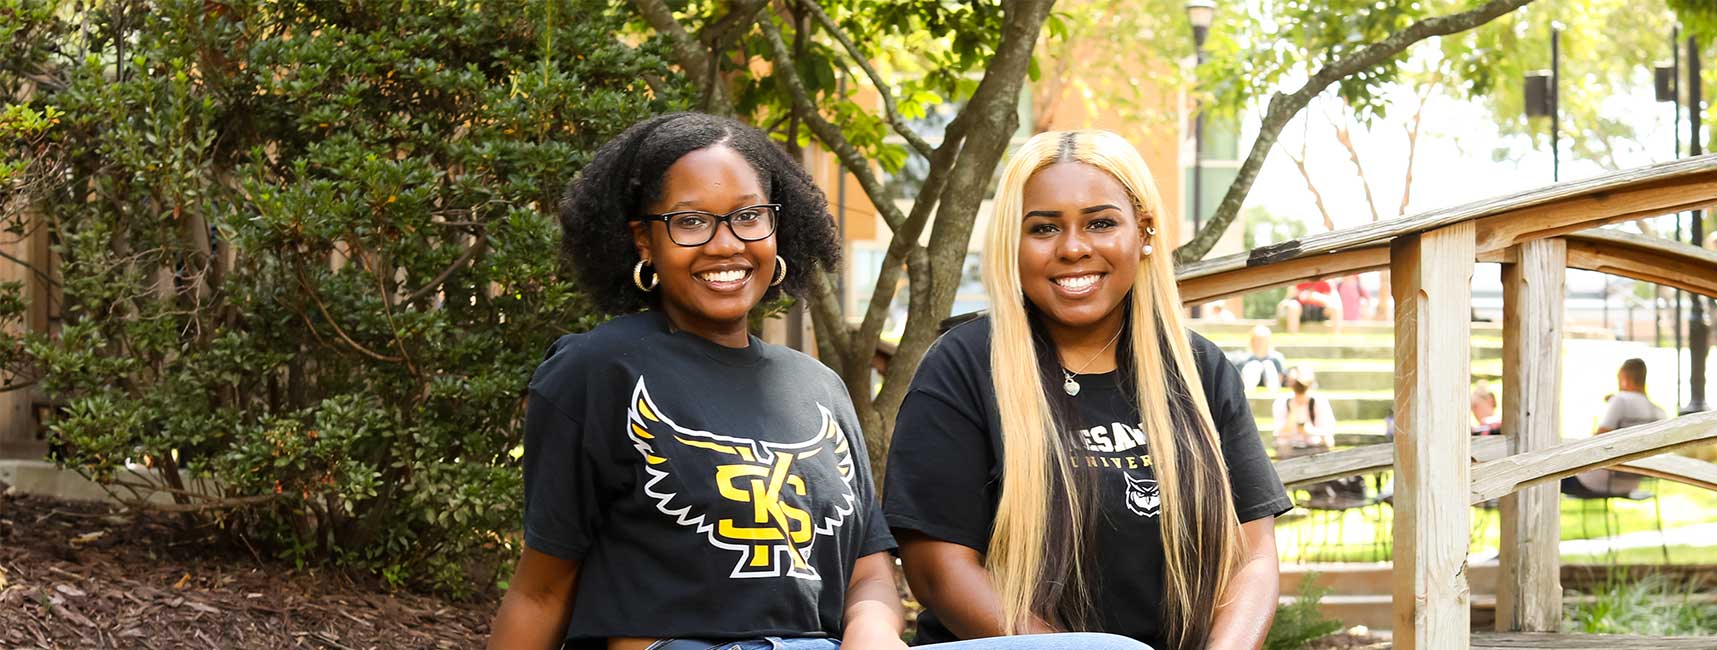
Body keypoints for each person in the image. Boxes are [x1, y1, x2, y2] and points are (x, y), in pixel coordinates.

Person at [490, 113, 1078, 650]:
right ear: (644, 239)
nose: (726, 243)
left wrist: (871, 631)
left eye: (748, 217)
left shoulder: (818, 387)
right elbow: (540, 591)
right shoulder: (596, 372)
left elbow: (869, 574)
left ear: (778, 228)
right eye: (690, 222)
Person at [883, 130, 1289, 650]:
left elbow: (1252, 556)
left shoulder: (1199, 369)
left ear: (1143, 233)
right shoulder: (961, 367)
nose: (1074, 248)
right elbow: (938, 571)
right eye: (1044, 228)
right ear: (1013, 240)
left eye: (1100, 223)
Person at [1565, 358, 1669, 496]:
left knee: (1548, 475)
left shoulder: (1621, 400)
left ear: (1625, 378)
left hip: (1600, 481)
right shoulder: (1659, 412)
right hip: (1632, 482)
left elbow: (1598, 439)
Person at [1272, 366, 1336, 456]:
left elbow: (1329, 430)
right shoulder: (1282, 402)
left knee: (1328, 440)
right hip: (1290, 449)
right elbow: (1279, 433)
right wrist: (1292, 414)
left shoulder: (1318, 401)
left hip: (1315, 448)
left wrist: (1310, 431)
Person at [1238, 325, 1288, 390]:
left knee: (1268, 364)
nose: (1260, 343)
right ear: (1252, 341)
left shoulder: (1276, 358)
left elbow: (1280, 377)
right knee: (1254, 365)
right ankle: (1248, 389)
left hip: (1271, 383)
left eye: (1263, 340)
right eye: (1257, 340)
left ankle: (1272, 389)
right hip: (1250, 381)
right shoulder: (1245, 358)